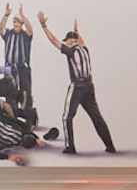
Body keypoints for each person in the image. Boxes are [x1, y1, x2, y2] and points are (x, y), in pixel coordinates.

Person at [37, 13, 116, 155]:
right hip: (89, 86)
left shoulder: (71, 51)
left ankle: (70, 147)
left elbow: (53, 40)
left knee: (67, 117)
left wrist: (43, 25)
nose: (66, 43)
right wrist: (78, 32)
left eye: (67, 41)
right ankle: (110, 145)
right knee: (97, 117)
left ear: (69, 41)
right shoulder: (84, 49)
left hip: (77, 87)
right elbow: (82, 42)